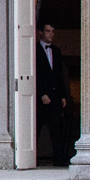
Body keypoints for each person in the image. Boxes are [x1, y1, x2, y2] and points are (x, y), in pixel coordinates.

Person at [35, 23, 74, 166]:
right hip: (41, 98)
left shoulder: (56, 51)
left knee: (57, 129)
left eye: (53, 31)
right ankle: (30, 157)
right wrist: (41, 93)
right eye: (47, 31)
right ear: (41, 33)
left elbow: (59, 75)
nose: (50, 34)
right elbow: (35, 74)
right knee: (36, 128)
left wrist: (63, 95)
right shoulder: (34, 50)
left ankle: (59, 159)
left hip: (56, 96)